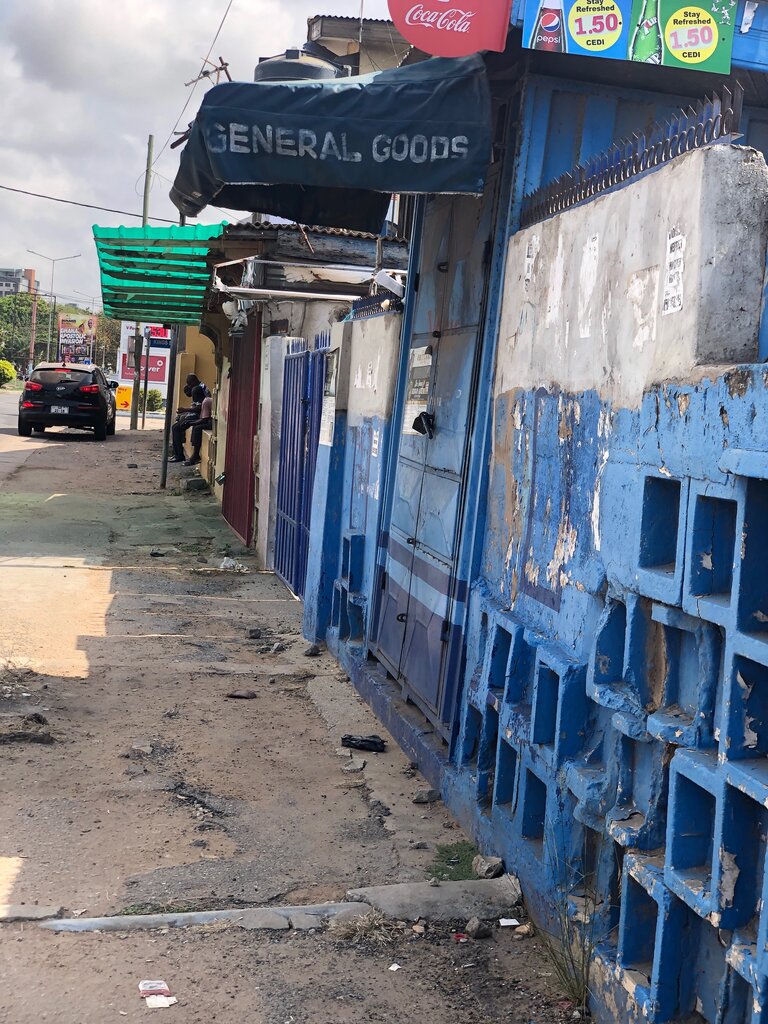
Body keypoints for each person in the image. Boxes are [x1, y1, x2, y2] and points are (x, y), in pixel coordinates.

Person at [169, 385, 212, 465]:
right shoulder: (204, 400)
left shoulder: (205, 402)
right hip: (207, 420)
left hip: (211, 422)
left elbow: (204, 419)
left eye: (194, 397)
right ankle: (180, 454)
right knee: (178, 426)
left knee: (196, 428)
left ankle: (195, 455)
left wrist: (190, 423)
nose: (194, 400)